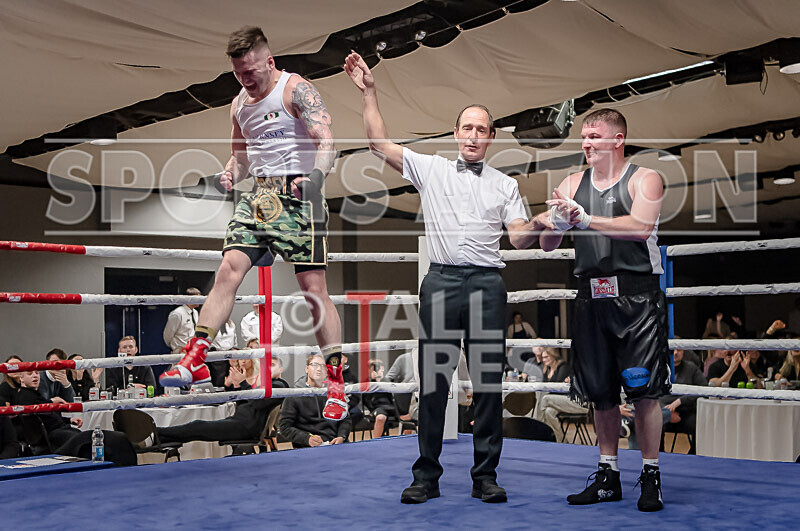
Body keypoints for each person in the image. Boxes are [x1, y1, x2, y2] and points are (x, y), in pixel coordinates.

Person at [344, 51, 553, 505]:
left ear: (491, 137)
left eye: (482, 129)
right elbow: (378, 144)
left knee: (488, 384)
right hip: (440, 282)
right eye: (467, 128)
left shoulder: (505, 184)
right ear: (456, 133)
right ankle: (426, 476)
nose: (473, 135)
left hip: (486, 285)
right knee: (434, 382)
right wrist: (369, 93)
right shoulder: (432, 168)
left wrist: (544, 220)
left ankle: (485, 476)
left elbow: (519, 238)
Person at [159, 27, 347, 422]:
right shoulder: (239, 105)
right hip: (260, 197)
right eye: (238, 73)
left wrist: (316, 177)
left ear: (269, 61)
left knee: (313, 290)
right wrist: (230, 173)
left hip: (300, 195)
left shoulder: (296, 89)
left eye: (251, 71)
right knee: (228, 269)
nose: (246, 79)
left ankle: (335, 383)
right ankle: (196, 357)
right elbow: (241, 156)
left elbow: (327, 141)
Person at [541, 108, 669, 512]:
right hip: (591, 297)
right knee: (600, 392)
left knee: (643, 391)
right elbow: (547, 245)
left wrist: (586, 217)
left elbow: (640, 228)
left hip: (637, 297)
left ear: (618, 140)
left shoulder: (645, 178)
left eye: (594, 135)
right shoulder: (571, 183)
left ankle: (651, 475)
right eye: (583, 136)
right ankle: (608, 475)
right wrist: (558, 223)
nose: (586, 143)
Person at [158, 367, 288, 446]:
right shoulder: (267, 386)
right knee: (196, 431)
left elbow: (257, 403)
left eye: (273, 365)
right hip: (240, 422)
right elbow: (246, 405)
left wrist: (243, 383)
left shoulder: (280, 386)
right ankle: (159, 438)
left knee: (197, 426)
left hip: (245, 427)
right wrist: (237, 386)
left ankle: (158, 432)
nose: (268, 368)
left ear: (281, 369)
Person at [279, 354, 351, 448]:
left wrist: (342, 436)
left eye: (323, 366)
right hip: (309, 447)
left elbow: (345, 419)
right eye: (315, 364)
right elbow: (284, 427)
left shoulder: (334, 392)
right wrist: (307, 438)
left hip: (336, 444)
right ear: (307, 369)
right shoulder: (294, 394)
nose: (319, 369)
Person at [13, 370, 81, 448]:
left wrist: (69, 420)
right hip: (51, 436)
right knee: (84, 439)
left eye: (37, 373)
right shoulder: (25, 396)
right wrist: (51, 402)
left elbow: (49, 416)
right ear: (21, 378)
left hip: (59, 430)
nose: (35, 376)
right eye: (29, 373)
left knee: (85, 437)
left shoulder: (34, 394)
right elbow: (42, 418)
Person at [659, 347, 707, 454]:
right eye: (673, 350)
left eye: (679, 350)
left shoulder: (691, 368)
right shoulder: (659, 368)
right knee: (654, 422)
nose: (676, 353)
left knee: (700, 424)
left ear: (683, 351)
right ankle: (658, 456)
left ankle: (694, 456)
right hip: (663, 410)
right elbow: (652, 393)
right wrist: (667, 413)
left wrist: (680, 401)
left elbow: (704, 389)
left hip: (685, 412)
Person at [163, 288, 201, 353]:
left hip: (193, 350)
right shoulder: (177, 313)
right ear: (190, 299)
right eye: (198, 298)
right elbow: (168, 335)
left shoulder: (195, 313)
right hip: (180, 351)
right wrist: (175, 348)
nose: (200, 300)